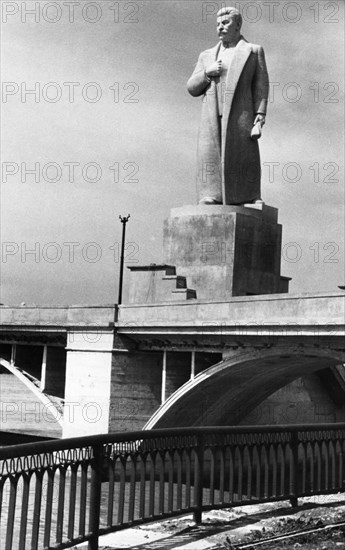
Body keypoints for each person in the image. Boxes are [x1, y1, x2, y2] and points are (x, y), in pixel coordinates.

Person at [187, 6, 269, 205]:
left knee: (244, 155)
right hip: (212, 114)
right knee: (210, 153)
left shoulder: (253, 51)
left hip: (241, 113)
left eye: (225, 23)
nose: (220, 28)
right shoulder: (206, 56)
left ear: (238, 25)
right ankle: (211, 194)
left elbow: (261, 85)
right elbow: (191, 87)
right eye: (217, 24)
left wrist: (260, 113)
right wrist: (207, 73)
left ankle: (248, 196)